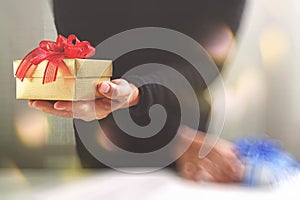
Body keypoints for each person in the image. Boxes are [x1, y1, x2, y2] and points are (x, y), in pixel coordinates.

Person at [29, 0, 246, 182]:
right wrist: (169, 138)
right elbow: (86, 55)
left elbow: (204, 60)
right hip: (106, 143)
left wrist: (139, 94)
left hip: (189, 144)